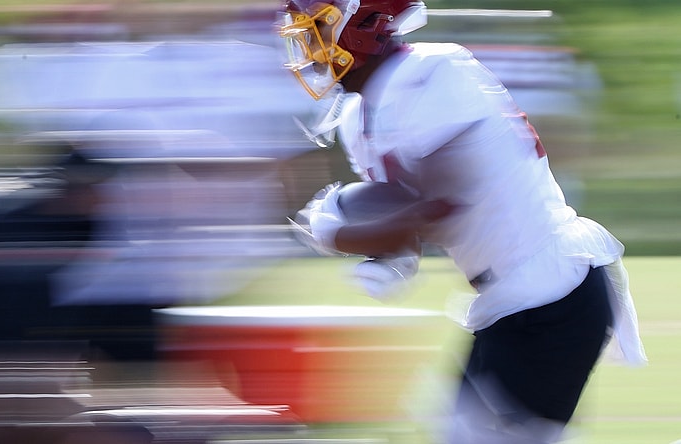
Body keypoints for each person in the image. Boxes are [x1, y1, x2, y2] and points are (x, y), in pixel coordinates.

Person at [276, 1, 647, 442]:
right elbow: (408, 220)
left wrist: (336, 233)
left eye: (318, 29)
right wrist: (388, 257)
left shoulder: (434, 73)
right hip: (514, 300)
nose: (308, 46)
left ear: (364, 22)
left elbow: (436, 209)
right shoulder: (357, 116)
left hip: (550, 293)